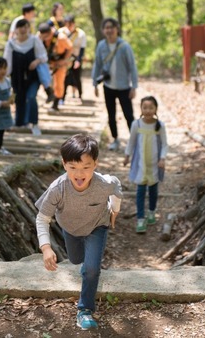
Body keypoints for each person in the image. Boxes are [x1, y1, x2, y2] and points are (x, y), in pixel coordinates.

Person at [35, 134, 122, 330]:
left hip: (97, 226)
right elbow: (42, 218)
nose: (79, 174)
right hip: (70, 228)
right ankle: (86, 268)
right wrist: (46, 247)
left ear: (95, 164)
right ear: (64, 164)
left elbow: (116, 186)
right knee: (75, 259)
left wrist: (114, 210)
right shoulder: (58, 189)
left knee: (91, 269)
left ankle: (85, 310)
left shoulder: (103, 183)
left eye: (86, 167)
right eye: (73, 167)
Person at [92, 17, 138, 151]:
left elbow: (132, 67)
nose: (109, 30)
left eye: (111, 27)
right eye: (106, 28)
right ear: (103, 30)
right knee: (111, 114)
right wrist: (94, 83)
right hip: (108, 86)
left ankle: (134, 141)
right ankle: (115, 139)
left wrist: (134, 86)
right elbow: (97, 64)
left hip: (124, 87)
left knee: (128, 115)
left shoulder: (124, 46)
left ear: (117, 29)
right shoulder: (101, 46)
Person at [123, 96, 168, 233]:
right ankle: (141, 219)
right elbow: (131, 142)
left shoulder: (159, 125)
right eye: (145, 107)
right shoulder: (136, 124)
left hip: (154, 164)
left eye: (151, 107)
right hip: (140, 164)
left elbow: (165, 144)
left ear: (155, 109)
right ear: (141, 109)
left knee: (153, 191)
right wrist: (127, 156)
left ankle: (152, 211)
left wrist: (163, 158)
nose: (148, 110)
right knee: (140, 191)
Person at [3, 18, 48, 136]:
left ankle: (34, 123)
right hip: (17, 77)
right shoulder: (11, 44)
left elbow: (44, 56)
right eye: (20, 27)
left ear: (29, 28)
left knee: (31, 97)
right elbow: (7, 63)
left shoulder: (34, 40)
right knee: (19, 99)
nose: (23, 29)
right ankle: (20, 123)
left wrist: (36, 61)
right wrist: (4, 76)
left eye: (26, 27)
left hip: (33, 77)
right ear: (16, 29)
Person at [9, 3, 54, 103]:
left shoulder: (30, 23)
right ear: (27, 13)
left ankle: (47, 87)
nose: (34, 14)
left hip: (30, 51)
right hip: (19, 51)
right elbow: (12, 36)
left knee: (41, 65)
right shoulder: (19, 21)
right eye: (32, 12)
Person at [38, 22, 72, 112]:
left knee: (59, 82)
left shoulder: (61, 38)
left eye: (46, 37)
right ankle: (49, 93)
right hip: (47, 61)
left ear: (50, 33)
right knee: (43, 77)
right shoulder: (39, 37)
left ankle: (56, 103)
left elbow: (70, 48)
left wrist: (64, 60)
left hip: (59, 61)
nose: (44, 39)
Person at [61, 15, 87, 101]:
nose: (68, 27)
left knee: (77, 77)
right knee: (65, 78)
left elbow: (82, 49)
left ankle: (80, 95)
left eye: (70, 25)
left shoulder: (81, 34)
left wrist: (78, 60)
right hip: (65, 58)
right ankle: (62, 97)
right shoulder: (61, 32)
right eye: (67, 25)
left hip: (76, 57)